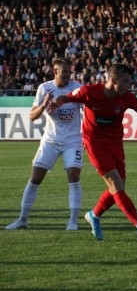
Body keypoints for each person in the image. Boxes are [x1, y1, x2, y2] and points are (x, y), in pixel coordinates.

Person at [49, 63, 137, 240]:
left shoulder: (127, 97)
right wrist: (56, 102)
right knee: (116, 185)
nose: (128, 86)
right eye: (125, 81)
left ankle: (94, 215)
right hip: (94, 144)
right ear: (113, 79)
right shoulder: (89, 92)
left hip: (115, 143)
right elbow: (66, 97)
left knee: (118, 187)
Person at [6, 58, 83, 231]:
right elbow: (32, 116)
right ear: (55, 71)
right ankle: (22, 219)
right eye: (64, 72)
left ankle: (73, 222)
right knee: (35, 178)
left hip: (73, 140)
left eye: (69, 72)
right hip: (50, 140)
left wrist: (87, 137)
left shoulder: (77, 88)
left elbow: (87, 112)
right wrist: (44, 103)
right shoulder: (44, 88)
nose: (68, 75)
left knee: (74, 176)